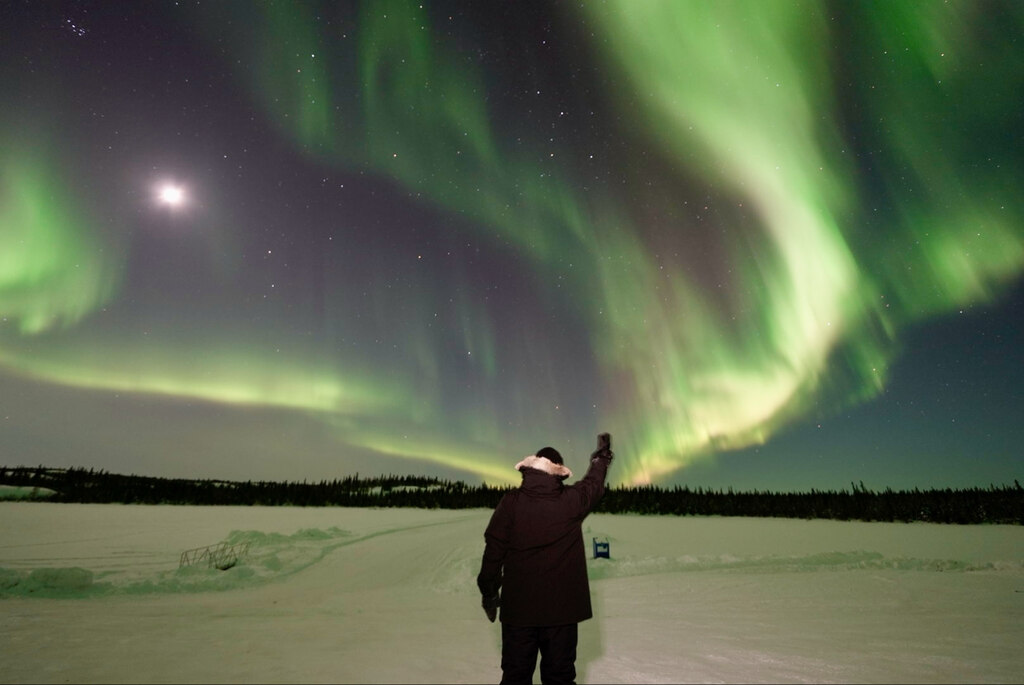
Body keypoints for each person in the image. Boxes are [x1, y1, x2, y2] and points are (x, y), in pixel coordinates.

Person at [477, 434, 614, 685]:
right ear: (559, 472)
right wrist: (600, 460)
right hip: (561, 615)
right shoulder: (571, 502)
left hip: (518, 612)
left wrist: (489, 592)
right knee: (559, 678)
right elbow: (593, 486)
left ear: (531, 467)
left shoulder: (510, 503)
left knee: (516, 677)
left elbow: (493, 551)